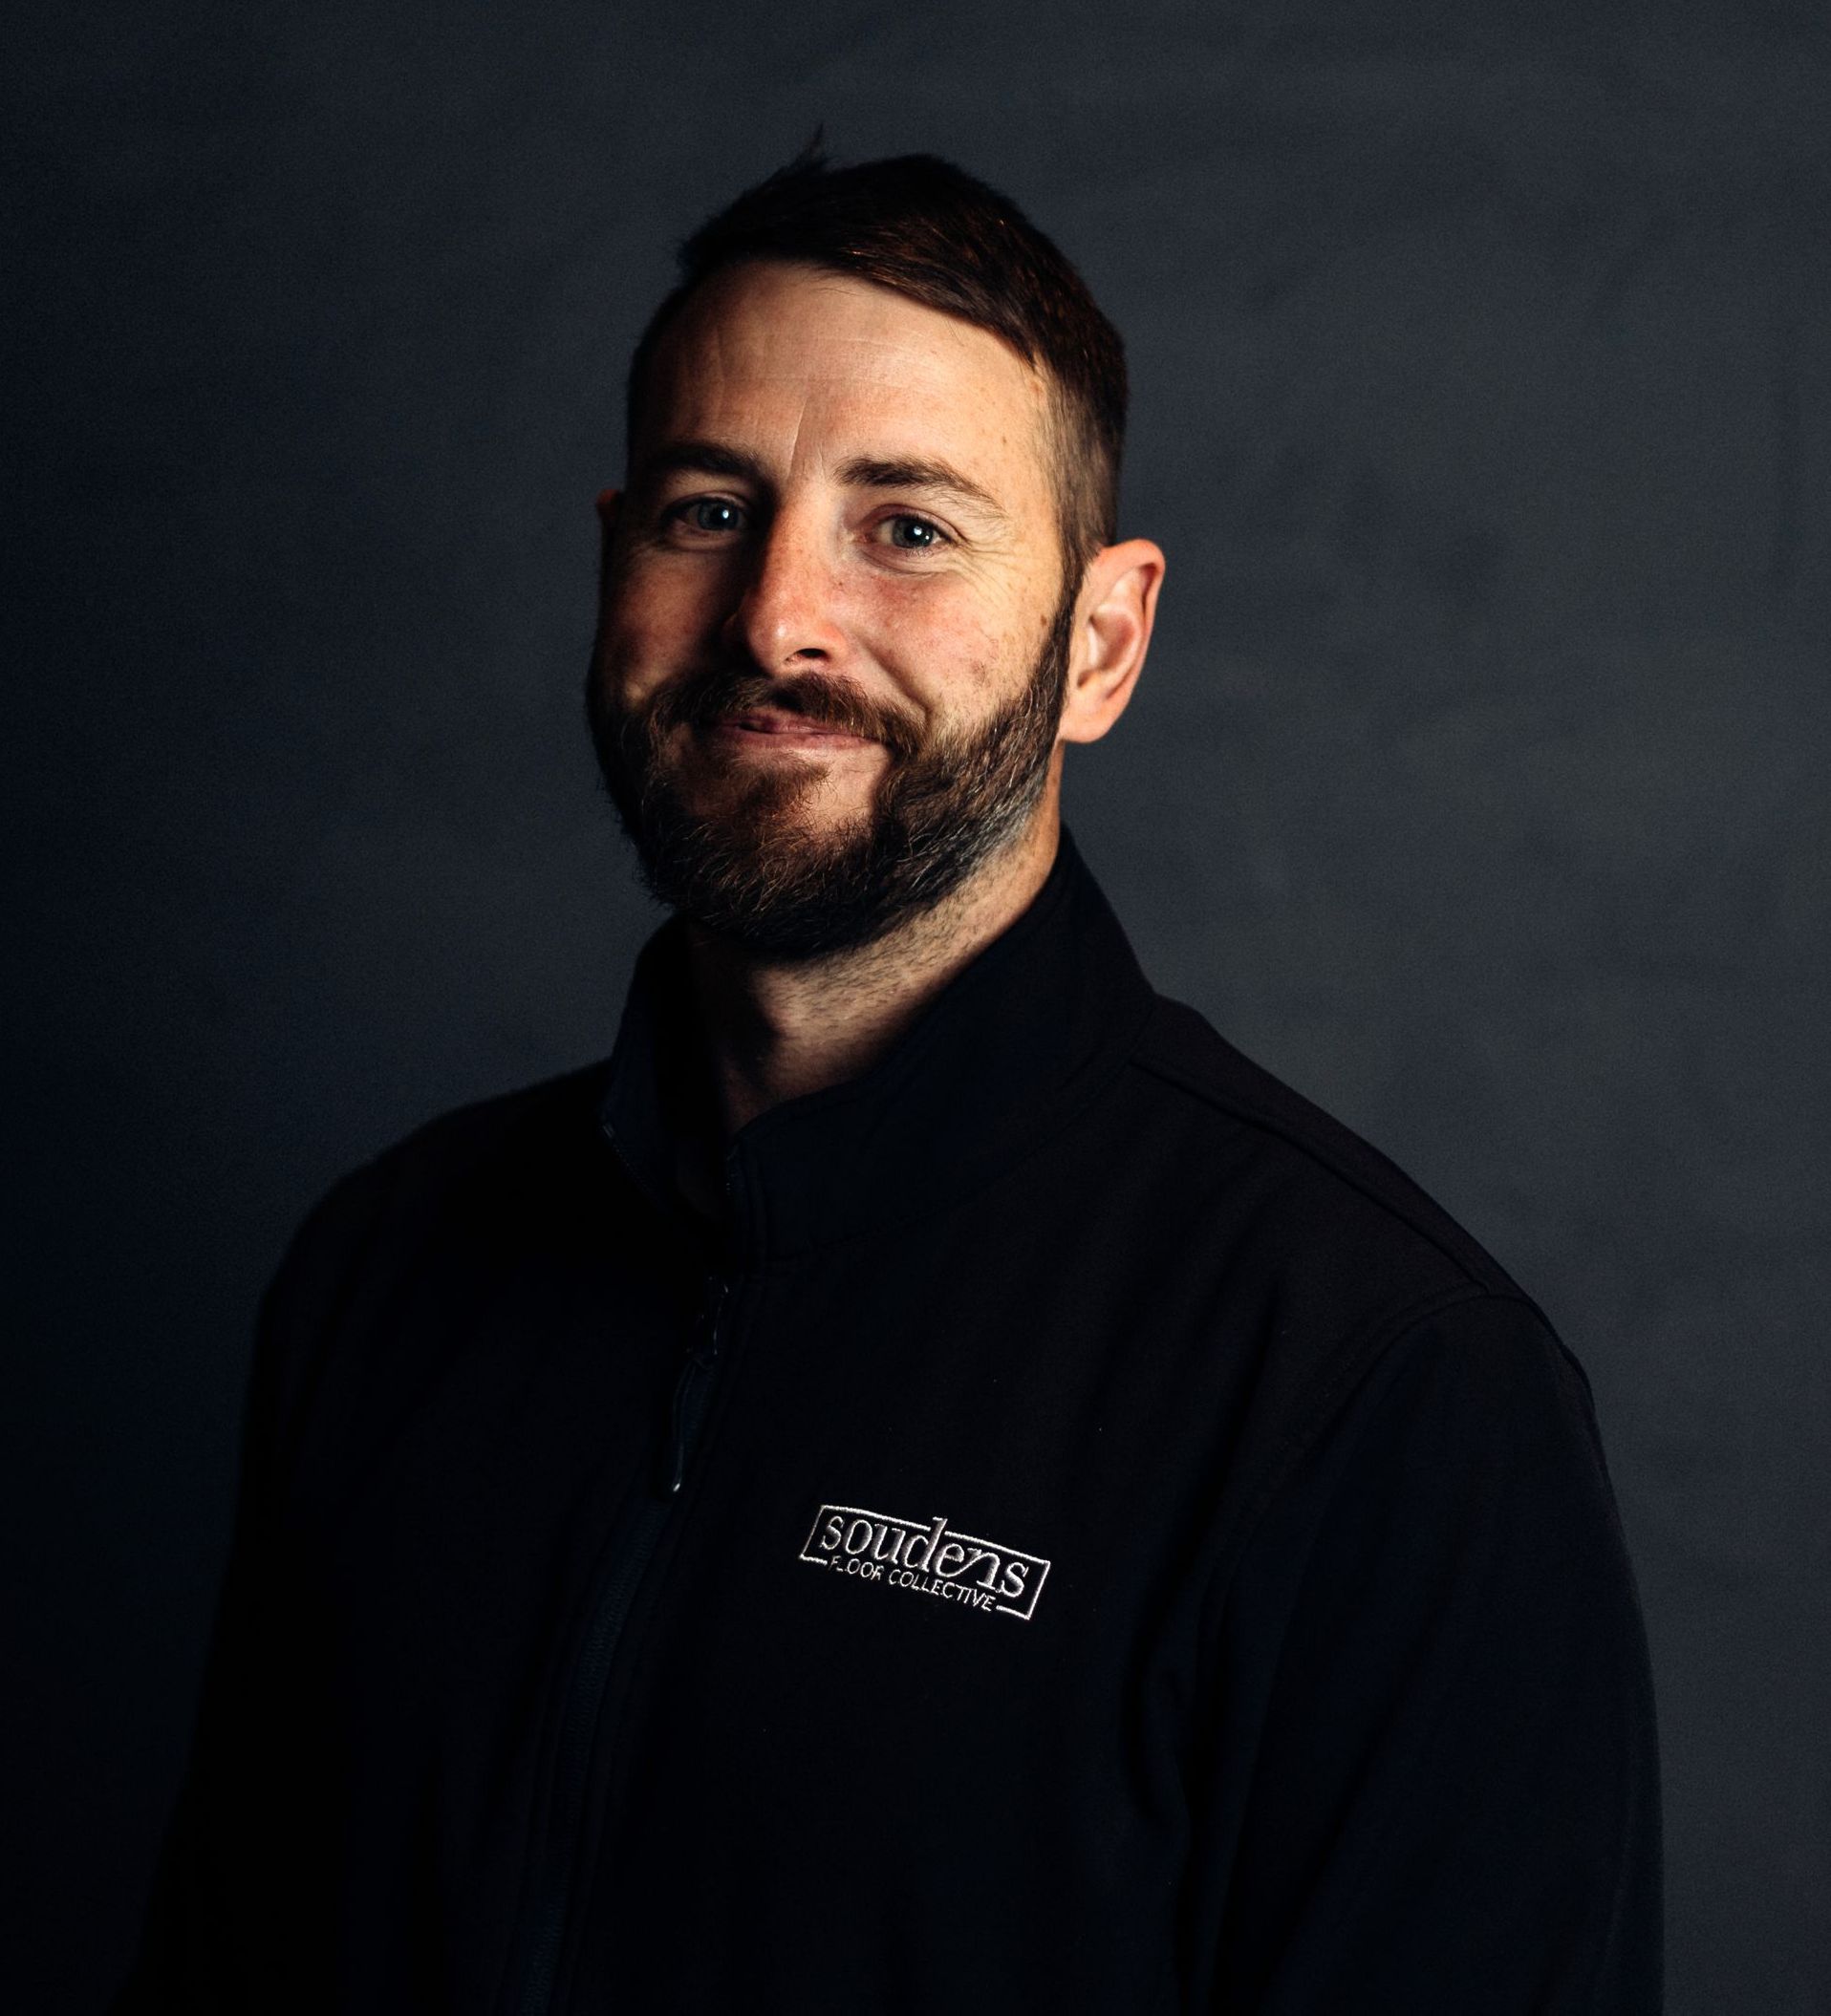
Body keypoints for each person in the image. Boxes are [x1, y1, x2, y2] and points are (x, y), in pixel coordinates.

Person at [115, 149, 1662, 2014]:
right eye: (708, 510)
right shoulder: (386, 1272)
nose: (777, 618)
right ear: (614, 561)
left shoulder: (1380, 1386)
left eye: (907, 527)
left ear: (1101, 642)